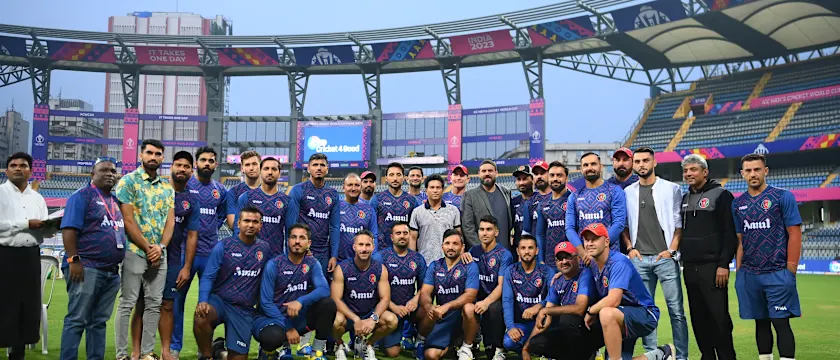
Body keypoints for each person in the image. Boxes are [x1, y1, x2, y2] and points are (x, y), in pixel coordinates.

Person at [733, 153, 803, 360]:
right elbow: (739, 241)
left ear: (766, 171)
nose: (753, 174)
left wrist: (791, 269)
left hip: (778, 272)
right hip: (750, 275)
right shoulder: (738, 204)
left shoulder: (782, 197)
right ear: (742, 174)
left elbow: (795, 233)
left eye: (757, 169)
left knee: (781, 322)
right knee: (760, 322)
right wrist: (739, 273)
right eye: (748, 170)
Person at [621, 147, 688, 360]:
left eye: (645, 161)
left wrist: (672, 250)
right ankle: (654, 355)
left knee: (676, 311)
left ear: (654, 163)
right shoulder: (628, 192)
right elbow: (624, 226)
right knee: (646, 312)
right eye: (637, 161)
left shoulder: (672, 189)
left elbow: (679, 224)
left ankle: (682, 356)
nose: (641, 165)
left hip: (665, 258)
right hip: (639, 259)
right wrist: (630, 248)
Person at [114, 139, 176, 360]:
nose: (154, 157)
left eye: (158, 154)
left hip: (160, 254)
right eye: (149, 152)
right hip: (134, 251)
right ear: (141, 155)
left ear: (162, 158)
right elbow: (128, 221)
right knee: (128, 304)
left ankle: (147, 353)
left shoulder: (167, 188)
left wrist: (160, 247)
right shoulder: (128, 182)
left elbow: (170, 223)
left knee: (154, 305)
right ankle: (122, 355)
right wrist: (148, 247)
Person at [59, 157, 124, 360]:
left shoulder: (115, 201)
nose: (109, 174)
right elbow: (69, 229)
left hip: (111, 271)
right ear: (92, 175)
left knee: (98, 321)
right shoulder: (82, 196)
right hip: (86, 267)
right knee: (77, 319)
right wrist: (74, 260)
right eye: (104, 170)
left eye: (113, 171)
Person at [583, 223, 675, 360]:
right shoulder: (593, 264)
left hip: (644, 314)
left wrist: (591, 311)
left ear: (607, 241)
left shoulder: (618, 262)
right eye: (586, 239)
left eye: (594, 239)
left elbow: (613, 300)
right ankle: (660, 354)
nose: (589, 243)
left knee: (606, 313)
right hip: (621, 316)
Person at [194, 206, 272, 360]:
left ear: (260, 225)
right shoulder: (224, 246)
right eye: (246, 221)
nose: (250, 225)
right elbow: (208, 276)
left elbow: (274, 272)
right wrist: (203, 300)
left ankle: (219, 352)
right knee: (202, 315)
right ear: (238, 223)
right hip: (220, 301)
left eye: (255, 222)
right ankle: (207, 356)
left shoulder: (265, 249)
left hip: (243, 309)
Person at [679, 154, 738, 360]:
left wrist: (724, 264)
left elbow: (730, 234)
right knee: (698, 317)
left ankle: (727, 356)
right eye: (686, 171)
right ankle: (707, 356)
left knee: (718, 317)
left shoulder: (722, 195)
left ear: (705, 172)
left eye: (693, 169)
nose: (688, 174)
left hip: (713, 267)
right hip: (690, 267)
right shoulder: (684, 199)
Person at [173, 147, 228, 357]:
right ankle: (175, 348)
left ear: (215, 165)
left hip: (210, 254)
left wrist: (209, 227)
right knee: (177, 302)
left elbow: (220, 215)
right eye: (203, 160)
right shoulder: (185, 185)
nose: (207, 163)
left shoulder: (220, 191)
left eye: (211, 160)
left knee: (208, 303)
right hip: (184, 253)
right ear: (196, 163)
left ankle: (203, 348)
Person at [253, 224, 337, 359]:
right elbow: (265, 303)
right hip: (271, 319)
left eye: (302, 238)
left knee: (328, 304)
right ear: (288, 241)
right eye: (293, 237)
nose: (297, 241)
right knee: (272, 338)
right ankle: (268, 351)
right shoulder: (274, 265)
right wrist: (288, 328)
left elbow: (324, 289)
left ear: (308, 243)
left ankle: (317, 352)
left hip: (297, 319)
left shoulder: (312, 263)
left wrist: (300, 301)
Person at [0, 152, 52, 360]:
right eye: (13, 165)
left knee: (27, 306)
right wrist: (25, 224)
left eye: (23, 165)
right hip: (5, 256)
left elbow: (45, 231)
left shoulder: (38, 198)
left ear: (30, 171)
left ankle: (18, 353)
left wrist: (50, 227)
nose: (18, 168)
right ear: (6, 170)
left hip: (31, 256)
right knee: (4, 304)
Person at [522, 241, 601, 360]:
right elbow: (546, 319)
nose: (564, 262)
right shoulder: (557, 282)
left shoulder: (585, 274)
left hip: (590, 328)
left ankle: (590, 354)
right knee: (537, 342)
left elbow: (580, 308)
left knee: (567, 318)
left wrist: (545, 310)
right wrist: (526, 348)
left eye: (568, 257)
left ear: (578, 259)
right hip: (570, 331)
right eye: (560, 258)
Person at [156, 151, 200, 360]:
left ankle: (167, 351)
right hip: (149, 254)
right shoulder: (157, 190)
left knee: (168, 304)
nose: (182, 169)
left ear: (192, 171)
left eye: (186, 166)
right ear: (171, 167)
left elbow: (192, 236)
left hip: (173, 258)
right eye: (178, 165)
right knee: (141, 304)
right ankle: (139, 351)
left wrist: (186, 267)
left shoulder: (191, 199)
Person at [331, 230, 399, 360]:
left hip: (369, 313)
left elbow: (385, 299)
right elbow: (335, 299)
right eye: (360, 245)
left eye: (368, 245)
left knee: (392, 320)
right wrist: (355, 319)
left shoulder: (380, 269)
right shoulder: (342, 268)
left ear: (373, 247)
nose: (364, 249)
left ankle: (367, 346)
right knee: (335, 321)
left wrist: (373, 318)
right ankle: (339, 346)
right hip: (348, 315)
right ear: (354, 247)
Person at [417, 230, 480, 360]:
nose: (451, 247)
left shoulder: (470, 265)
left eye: (455, 244)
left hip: (462, 317)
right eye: (447, 243)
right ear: (442, 246)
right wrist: (430, 307)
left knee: (469, 308)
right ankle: (423, 341)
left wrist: (446, 306)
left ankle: (467, 347)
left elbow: (471, 295)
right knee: (431, 355)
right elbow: (425, 292)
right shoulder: (435, 266)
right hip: (443, 318)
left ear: (462, 247)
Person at [372, 221, 428, 358]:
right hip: (389, 309)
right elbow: (373, 289)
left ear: (410, 236)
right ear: (392, 237)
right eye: (398, 233)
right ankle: (380, 336)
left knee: (428, 308)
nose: (402, 236)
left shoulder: (418, 258)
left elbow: (425, 286)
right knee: (393, 353)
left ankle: (419, 340)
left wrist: (415, 300)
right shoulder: (380, 257)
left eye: (405, 233)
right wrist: (393, 306)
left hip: (409, 308)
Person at [466, 215, 515, 360]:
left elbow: (502, 286)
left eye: (489, 229)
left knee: (494, 308)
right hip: (477, 296)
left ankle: (500, 348)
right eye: (481, 229)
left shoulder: (504, 255)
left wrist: (486, 302)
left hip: (495, 298)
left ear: (496, 232)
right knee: (465, 305)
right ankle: (468, 344)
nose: (485, 233)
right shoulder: (472, 252)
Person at [565, 152, 627, 265]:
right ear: (581, 169)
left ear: (601, 167)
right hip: (585, 260)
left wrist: (599, 250)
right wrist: (583, 253)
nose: (590, 168)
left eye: (593, 164)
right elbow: (569, 228)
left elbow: (619, 224)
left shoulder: (614, 191)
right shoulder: (574, 196)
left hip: (610, 258)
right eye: (586, 165)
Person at [500, 235, 555, 355]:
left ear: (537, 250)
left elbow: (553, 298)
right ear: (518, 251)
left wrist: (539, 306)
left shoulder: (547, 272)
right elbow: (507, 300)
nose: (526, 251)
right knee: (509, 342)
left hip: (542, 323)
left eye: (530, 248)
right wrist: (511, 327)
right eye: (523, 248)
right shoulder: (510, 271)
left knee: (547, 342)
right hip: (521, 324)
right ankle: (530, 348)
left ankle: (535, 348)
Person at [287, 153, 341, 274]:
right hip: (301, 250)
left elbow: (335, 227)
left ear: (327, 169)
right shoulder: (298, 190)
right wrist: (299, 247)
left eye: (322, 165)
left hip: (323, 252)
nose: (319, 168)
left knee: (322, 288)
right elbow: (291, 224)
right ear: (308, 168)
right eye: (315, 165)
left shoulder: (332, 194)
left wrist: (334, 255)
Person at [237, 157, 290, 256]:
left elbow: (290, 233)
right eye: (266, 169)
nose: (270, 172)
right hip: (250, 256)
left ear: (279, 173)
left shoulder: (287, 201)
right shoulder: (246, 197)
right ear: (260, 172)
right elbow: (238, 230)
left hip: (275, 258)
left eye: (274, 169)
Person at [409, 174, 462, 264]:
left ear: (442, 190)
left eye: (438, 187)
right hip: (424, 262)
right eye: (432, 187)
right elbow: (413, 238)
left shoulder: (453, 210)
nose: (435, 190)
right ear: (426, 190)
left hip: (448, 263)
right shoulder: (417, 212)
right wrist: (413, 260)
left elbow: (459, 236)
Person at [371, 162, 422, 251]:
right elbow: (371, 229)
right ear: (386, 178)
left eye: (398, 175)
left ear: (403, 178)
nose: (395, 178)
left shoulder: (412, 201)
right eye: (391, 175)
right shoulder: (377, 199)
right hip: (382, 251)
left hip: (405, 252)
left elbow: (415, 231)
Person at [462, 160, 513, 249]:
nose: (487, 173)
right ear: (479, 174)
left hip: (505, 251)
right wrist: (481, 249)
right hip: (483, 254)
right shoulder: (470, 195)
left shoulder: (506, 192)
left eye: (490, 171)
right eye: (484, 171)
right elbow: (468, 228)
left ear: (496, 173)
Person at [534, 161, 570, 264]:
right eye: (552, 175)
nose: (555, 179)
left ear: (566, 178)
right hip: (550, 261)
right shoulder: (543, 204)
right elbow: (540, 234)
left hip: (571, 259)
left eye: (559, 175)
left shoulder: (573, 200)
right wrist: (541, 260)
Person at [338, 173, 379, 261]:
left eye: (357, 185)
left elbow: (374, 236)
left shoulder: (368, 209)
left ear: (361, 187)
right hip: (339, 260)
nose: (353, 188)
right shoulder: (336, 207)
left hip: (362, 261)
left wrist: (373, 257)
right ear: (343, 187)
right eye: (350, 185)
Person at [570, 148, 639, 191]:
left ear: (633, 162)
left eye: (625, 160)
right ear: (613, 163)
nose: (621, 163)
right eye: (617, 160)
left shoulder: (639, 183)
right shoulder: (607, 185)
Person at [226, 150, 262, 229]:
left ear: (261, 166)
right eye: (247, 165)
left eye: (254, 164)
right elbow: (232, 224)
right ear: (242, 168)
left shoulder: (268, 191)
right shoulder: (233, 192)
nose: (251, 168)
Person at [510, 165, 535, 258]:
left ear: (532, 179)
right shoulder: (513, 202)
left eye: (525, 179)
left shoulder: (540, 199)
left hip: (537, 250)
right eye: (518, 179)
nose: (521, 182)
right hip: (519, 252)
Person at [521, 160, 550, 237]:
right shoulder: (529, 202)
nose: (539, 176)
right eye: (536, 174)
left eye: (542, 173)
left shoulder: (560, 197)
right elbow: (526, 231)